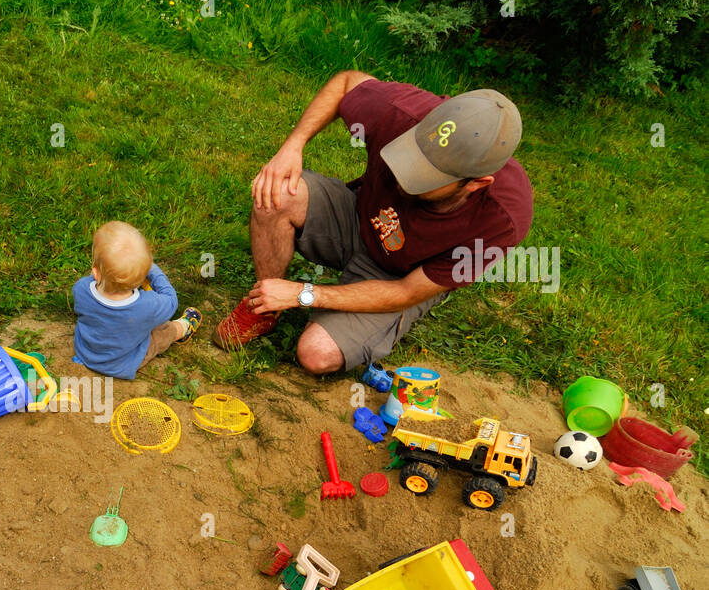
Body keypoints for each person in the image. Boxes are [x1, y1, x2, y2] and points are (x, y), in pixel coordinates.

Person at [213, 71, 533, 373]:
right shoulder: (403, 112)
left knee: (316, 353)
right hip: (359, 216)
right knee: (278, 194)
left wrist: (304, 293)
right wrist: (292, 146)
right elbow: (344, 82)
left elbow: (407, 291)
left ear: (476, 183)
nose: (408, 175)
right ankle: (264, 309)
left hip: (401, 275)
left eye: (430, 176)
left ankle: (329, 305)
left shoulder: (502, 219)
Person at [72, 221, 200, 380]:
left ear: (96, 273)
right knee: (163, 331)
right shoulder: (148, 305)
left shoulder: (81, 289)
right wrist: (153, 271)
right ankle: (184, 327)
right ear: (140, 278)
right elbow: (171, 300)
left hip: (87, 352)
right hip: (124, 361)